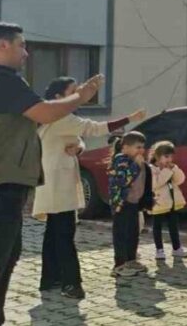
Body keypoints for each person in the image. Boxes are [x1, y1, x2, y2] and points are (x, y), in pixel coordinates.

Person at [0, 23, 101, 326]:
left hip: (8, 184)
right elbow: (44, 112)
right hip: (2, 185)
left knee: (7, 257)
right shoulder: (3, 80)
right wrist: (80, 97)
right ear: (1, 46)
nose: (26, 53)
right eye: (21, 46)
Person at [33, 77, 144, 299]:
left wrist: (79, 147)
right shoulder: (60, 116)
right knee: (64, 234)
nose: (78, 96)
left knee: (54, 233)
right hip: (57, 183)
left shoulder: (55, 117)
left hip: (54, 181)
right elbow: (92, 128)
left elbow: (77, 138)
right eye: (73, 92)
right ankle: (72, 284)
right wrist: (129, 119)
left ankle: (50, 279)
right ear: (58, 97)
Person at [107, 132, 152, 276]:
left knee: (133, 232)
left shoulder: (142, 164)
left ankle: (131, 259)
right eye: (137, 147)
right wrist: (136, 166)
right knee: (121, 233)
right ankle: (119, 264)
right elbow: (123, 180)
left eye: (142, 147)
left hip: (134, 203)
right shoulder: (121, 160)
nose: (141, 151)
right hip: (121, 202)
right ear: (125, 147)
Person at [148, 141, 187, 261]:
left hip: (172, 203)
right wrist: (166, 171)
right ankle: (159, 250)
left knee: (173, 227)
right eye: (166, 156)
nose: (169, 159)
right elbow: (156, 184)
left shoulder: (170, 168)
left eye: (171, 156)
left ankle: (177, 248)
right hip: (158, 204)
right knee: (157, 227)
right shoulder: (151, 169)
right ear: (157, 156)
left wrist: (175, 169)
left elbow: (180, 180)